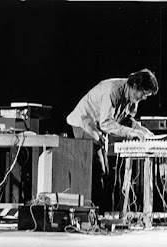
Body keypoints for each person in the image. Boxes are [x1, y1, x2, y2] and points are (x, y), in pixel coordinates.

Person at [66, 68, 159, 213]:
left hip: (98, 127)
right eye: (144, 94)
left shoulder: (132, 97)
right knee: (97, 169)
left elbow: (127, 119)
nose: (144, 98)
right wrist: (131, 133)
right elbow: (106, 123)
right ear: (135, 86)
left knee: (105, 171)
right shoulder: (112, 91)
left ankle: (99, 212)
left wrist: (142, 131)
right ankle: (91, 213)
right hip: (84, 123)